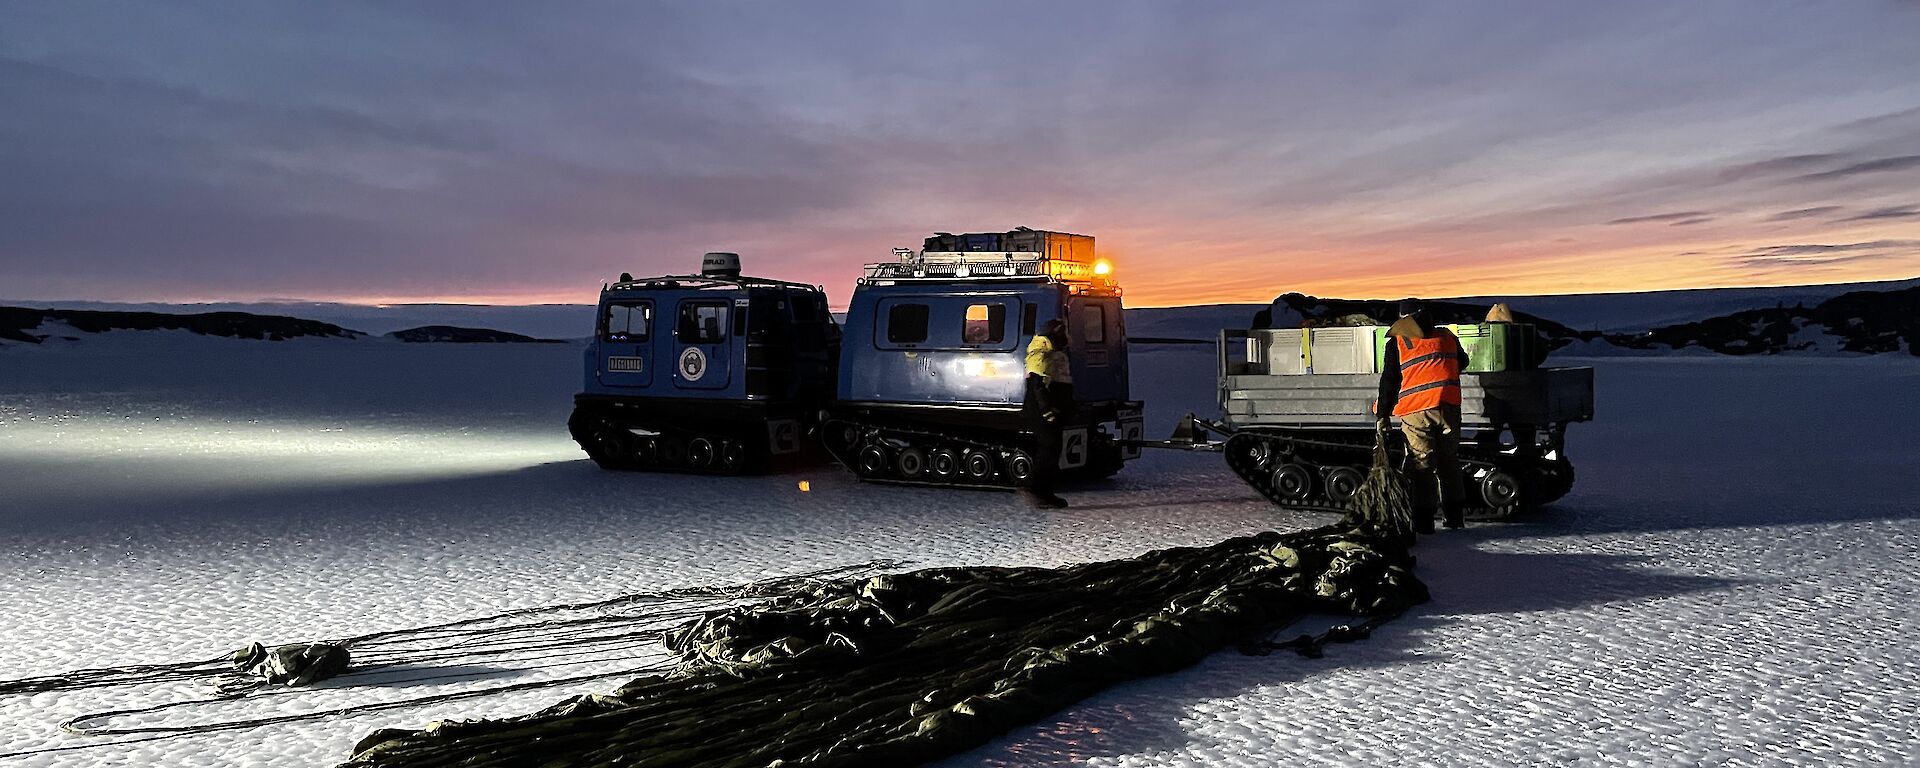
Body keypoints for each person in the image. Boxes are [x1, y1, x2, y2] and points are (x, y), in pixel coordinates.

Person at [1376, 299, 1470, 531]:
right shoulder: (1446, 336)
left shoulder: (1398, 343)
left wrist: (1382, 413)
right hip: (1448, 408)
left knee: (1422, 465)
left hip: (1417, 411)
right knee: (1449, 461)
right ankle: (1455, 519)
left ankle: (1424, 522)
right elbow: (1463, 361)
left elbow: (1390, 381)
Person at [1020, 317, 1073, 509]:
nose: (1067, 337)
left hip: (1050, 410)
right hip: (1041, 412)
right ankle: (1036, 490)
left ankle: (1045, 493)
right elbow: (1037, 386)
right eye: (1064, 333)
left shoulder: (1051, 353)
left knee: (1052, 449)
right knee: (1048, 449)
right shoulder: (1040, 354)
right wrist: (1046, 411)